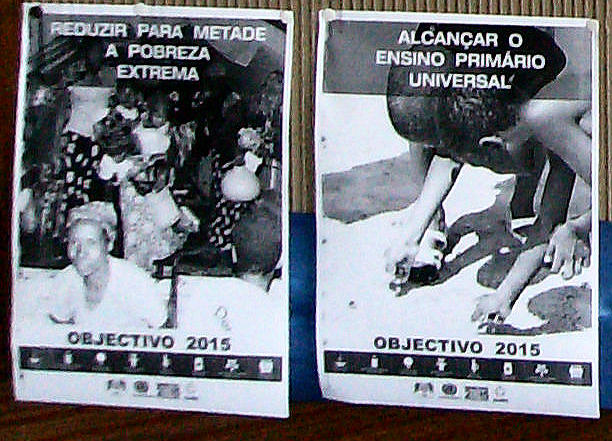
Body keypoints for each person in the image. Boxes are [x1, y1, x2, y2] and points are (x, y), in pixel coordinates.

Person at [384, 24, 593, 324]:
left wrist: (581, 226)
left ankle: (521, 203)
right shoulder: (535, 117)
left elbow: (593, 201)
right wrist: (504, 297)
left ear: (493, 146)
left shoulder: (556, 121)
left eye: (481, 161)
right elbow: (549, 221)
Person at [46, 202, 168, 328]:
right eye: (74, 242)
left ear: (109, 244)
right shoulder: (66, 279)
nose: (81, 252)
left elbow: (162, 328)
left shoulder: (135, 282)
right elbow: (58, 330)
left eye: (91, 243)